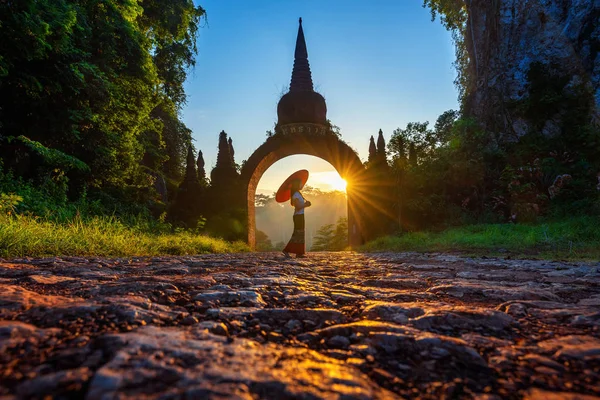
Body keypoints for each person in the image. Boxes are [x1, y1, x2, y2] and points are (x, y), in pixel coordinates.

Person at [282, 179, 311, 258]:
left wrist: (305, 204)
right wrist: (306, 205)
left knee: (300, 234)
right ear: (297, 185)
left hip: (300, 215)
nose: (302, 185)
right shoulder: (295, 195)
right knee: (297, 234)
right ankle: (286, 250)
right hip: (298, 216)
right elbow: (298, 207)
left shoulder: (298, 194)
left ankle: (299, 253)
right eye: (301, 184)